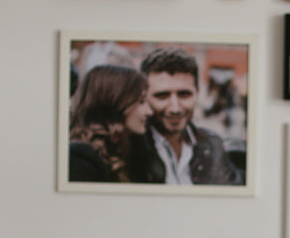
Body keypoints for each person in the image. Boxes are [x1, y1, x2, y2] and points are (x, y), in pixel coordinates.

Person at [135, 46, 242, 185]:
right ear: (144, 97)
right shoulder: (131, 148)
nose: (175, 108)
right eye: (162, 96)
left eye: (184, 94)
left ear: (197, 92)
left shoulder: (213, 145)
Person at [68, 64, 152, 182]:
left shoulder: (127, 145)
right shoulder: (80, 158)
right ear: (115, 101)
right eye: (141, 101)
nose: (149, 112)